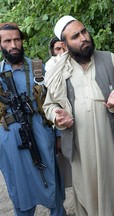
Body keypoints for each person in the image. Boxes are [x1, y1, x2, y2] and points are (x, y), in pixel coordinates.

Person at [43, 15, 114, 216]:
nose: (83, 37)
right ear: (66, 44)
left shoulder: (109, 59)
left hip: (111, 145)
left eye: (84, 31)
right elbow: (49, 106)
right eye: (75, 36)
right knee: (86, 195)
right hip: (80, 149)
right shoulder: (60, 70)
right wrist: (58, 117)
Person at [0, 22, 65, 215]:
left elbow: (56, 101)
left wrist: (59, 135)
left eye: (17, 39)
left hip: (40, 134)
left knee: (51, 186)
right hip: (11, 139)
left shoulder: (39, 68)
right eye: (7, 41)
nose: (13, 45)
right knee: (20, 192)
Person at [48, 36, 72, 189]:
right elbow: (51, 106)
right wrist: (58, 136)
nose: (61, 52)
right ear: (52, 52)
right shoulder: (48, 72)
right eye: (58, 49)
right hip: (61, 128)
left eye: (64, 48)